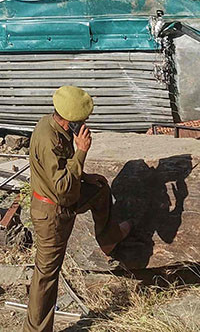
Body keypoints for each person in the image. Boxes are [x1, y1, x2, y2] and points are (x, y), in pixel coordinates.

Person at [24, 86, 131, 332]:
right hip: (53, 212)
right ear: (68, 122)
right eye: (81, 121)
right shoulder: (48, 139)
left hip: (65, 199)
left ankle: (108, 239)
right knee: (46, 277)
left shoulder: (53, 125)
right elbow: (61, 188)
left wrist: (85, 176)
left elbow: (63, 171)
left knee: (100, 188)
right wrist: (81, 151)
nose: (85, 124)